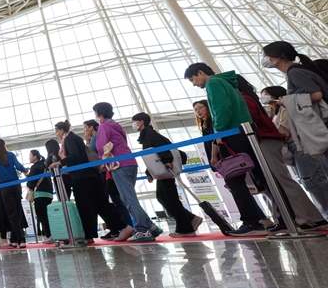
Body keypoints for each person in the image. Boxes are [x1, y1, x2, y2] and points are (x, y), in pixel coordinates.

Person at [235, 76, 327, 231]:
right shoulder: (267, 109)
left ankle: (312, 217)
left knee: (293, 180)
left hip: (289, 144)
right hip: (276, 143)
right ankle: (295, 217)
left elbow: (271, 126)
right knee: (283, 181)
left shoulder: (247, 100)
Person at [184, 63, 266, 236]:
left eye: (193, 79)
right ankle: (281, 218)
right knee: (261, 177)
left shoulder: (213, 83)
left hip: (232, 135)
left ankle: (251, 223)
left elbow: (221, 109)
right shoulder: (227, 82)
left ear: (201, 72)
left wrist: (219, 131)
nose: (194, 83)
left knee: (234, 181)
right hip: (245, 133)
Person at [50, 120, 133, 243]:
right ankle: (118, 228)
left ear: (62, 130)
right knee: (99, 205)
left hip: (82, 177)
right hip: (90, 176)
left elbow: (74, 155)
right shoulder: (74, 138)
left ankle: (95, 234)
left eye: (57, 130)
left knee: (86, 206)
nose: (56, 133)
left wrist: (59, 162)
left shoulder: (70, 139)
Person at [92, 102, 160, 241]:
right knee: (130, 198)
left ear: (100, 114)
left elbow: (101, 146)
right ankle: (151, 226)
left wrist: (102, 162)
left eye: (95, 113)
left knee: (128, 199)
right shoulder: (117, 126)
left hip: (119, 165)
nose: (95, 117)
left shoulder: (104, 126)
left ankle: (142, 230)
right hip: (130, 163)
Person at [261, 41, 328, 176]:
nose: (264, 59)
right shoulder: (296, 71)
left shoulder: (295, 72)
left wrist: (286, 100)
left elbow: (316, 94)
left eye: (266, 55)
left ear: (280, 55)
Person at [130, 112, 202, 237]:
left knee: (170, 197)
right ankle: (190, 218)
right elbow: (152, 157)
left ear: (141, 121)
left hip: (165, 166)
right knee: (162, 196)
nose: (133, 125)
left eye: (134, 121)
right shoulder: (146, 135)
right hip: (162, 168)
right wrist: (149, 172)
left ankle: (186, 228)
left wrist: (167, 160)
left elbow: (160, 148)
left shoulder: (150, 134)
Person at [262, 86, 328, 218]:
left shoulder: (285, 108)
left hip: (299, 146)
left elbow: (284, 130)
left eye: (266, 94)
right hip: (293, 148)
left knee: (314, 180)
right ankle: (324, 212)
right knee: (309, 181)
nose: (263, 97)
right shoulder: (274, 113)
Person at [84, 119, 132, 234]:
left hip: (104, 172)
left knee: (116, 199)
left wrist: (87, 142)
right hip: (104, 171)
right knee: (110, 200)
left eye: (85, 127)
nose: (84, 130)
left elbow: (92, 154)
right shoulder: (95, 138)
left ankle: (126, 226)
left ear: (91, 127)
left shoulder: (96, 138)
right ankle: (116, 228)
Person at [26, 149, 54, 244]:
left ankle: (49, 235)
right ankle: (51, 234)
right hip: (49, 193)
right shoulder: (44, 166)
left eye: (30, 155)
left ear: (35, 157)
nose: (29, 157)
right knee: (46, 215)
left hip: (40, 193)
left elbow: (31, 183)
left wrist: (27, 177)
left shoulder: (35, 167)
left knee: (41, 214)